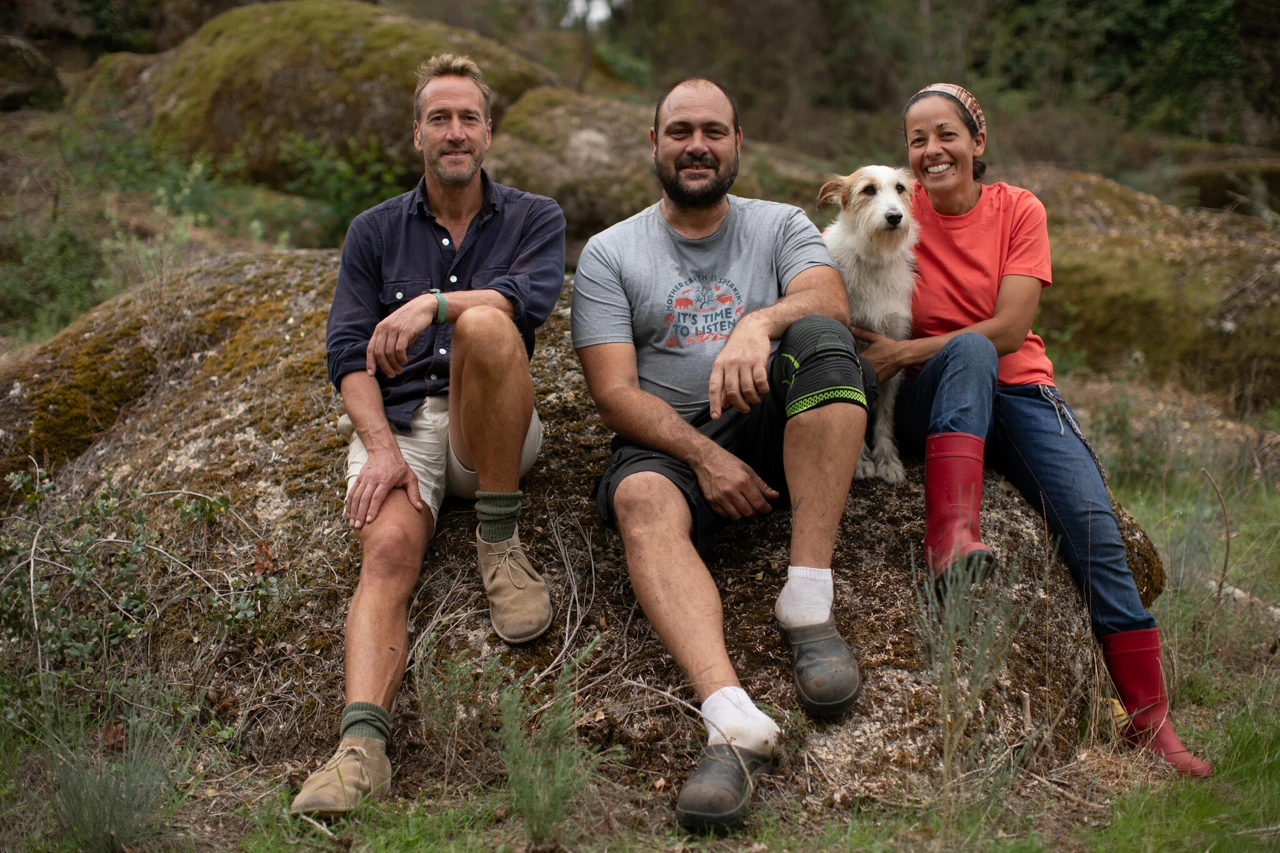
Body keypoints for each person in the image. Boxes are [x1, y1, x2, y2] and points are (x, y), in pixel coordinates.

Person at [853, 82, 1212, 777]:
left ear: (978, 141)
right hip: (931, 395)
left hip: (1017, 386)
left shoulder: (1018, 209)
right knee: (967, 353)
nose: (930, 151)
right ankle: (951, 537)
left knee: (1093, 528)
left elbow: (1013, 326)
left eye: (946, 134)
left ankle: (1152, 723)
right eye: (917, 139)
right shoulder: (893, 207)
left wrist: (904, 349)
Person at [571, 77, 878, 830]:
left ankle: (807, 605)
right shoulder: (610, 252)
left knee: (824, 344)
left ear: (739, 143)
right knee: (638, 498)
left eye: (714, 130)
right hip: (670, 442)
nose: (697, 145)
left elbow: (830, 302)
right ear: (655, 144)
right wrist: (703, 458)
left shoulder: (779, 226)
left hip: (773, 428)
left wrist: (758, 323)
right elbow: (613, 393)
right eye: (680, 131)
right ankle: (728, 718)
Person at [294, 54, 567, 817]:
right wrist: (380, 447)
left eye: (468, 118)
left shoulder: (533, 216)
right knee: (384, 550)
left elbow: (525, 301)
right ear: (417, 133)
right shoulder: (374, 230)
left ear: (488, 132)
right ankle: (361, 750)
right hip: (405, 426)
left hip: (492, 432)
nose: (455, 132)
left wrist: (431, 308)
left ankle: (499, 543)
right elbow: (347, 352)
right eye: (439, 118)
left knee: (483, 318)